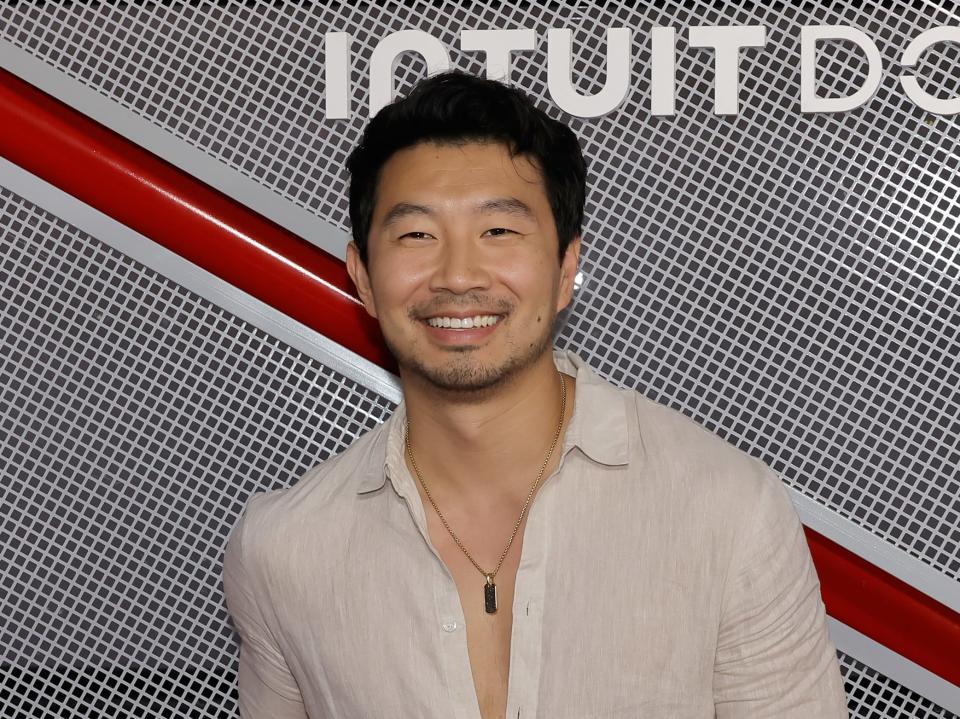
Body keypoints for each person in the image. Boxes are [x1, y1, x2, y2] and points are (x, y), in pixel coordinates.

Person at [223, 70, 849, 718]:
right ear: (363, 275)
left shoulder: (726, 512)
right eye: (416, 235)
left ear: (566, 267)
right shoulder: (283, 548)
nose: (459, 274)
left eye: (498, 231)